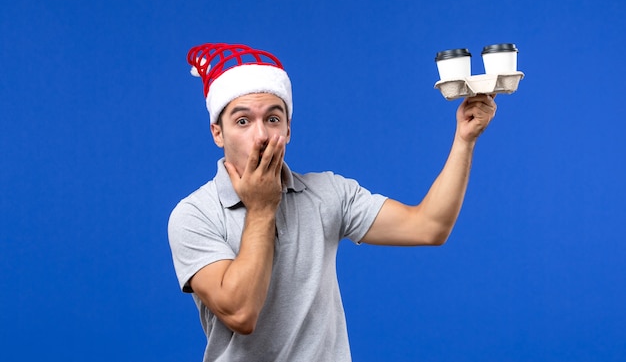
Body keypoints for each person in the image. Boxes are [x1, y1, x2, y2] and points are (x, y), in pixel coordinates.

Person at [168, 42, 497, 362]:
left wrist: (464, 140)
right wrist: (262, 207)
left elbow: (429, 227)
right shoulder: (194, 215)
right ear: (217, 133)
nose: (262, 137)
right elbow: (240, 313)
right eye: (243, 121)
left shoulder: (328, 193)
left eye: (273, 119)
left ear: (288, 128)